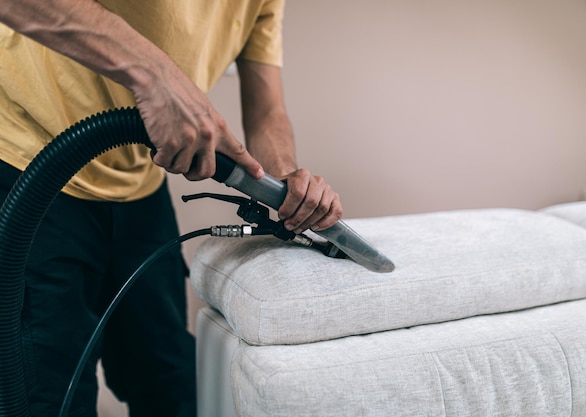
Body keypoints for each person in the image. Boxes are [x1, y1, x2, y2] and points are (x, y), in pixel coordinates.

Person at [0, 1, 343, 416]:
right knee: (49, 398)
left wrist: (286, 179)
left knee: (171, 384)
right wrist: (155, 73)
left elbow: (267, 109)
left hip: (137, 184)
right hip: (29, 166)